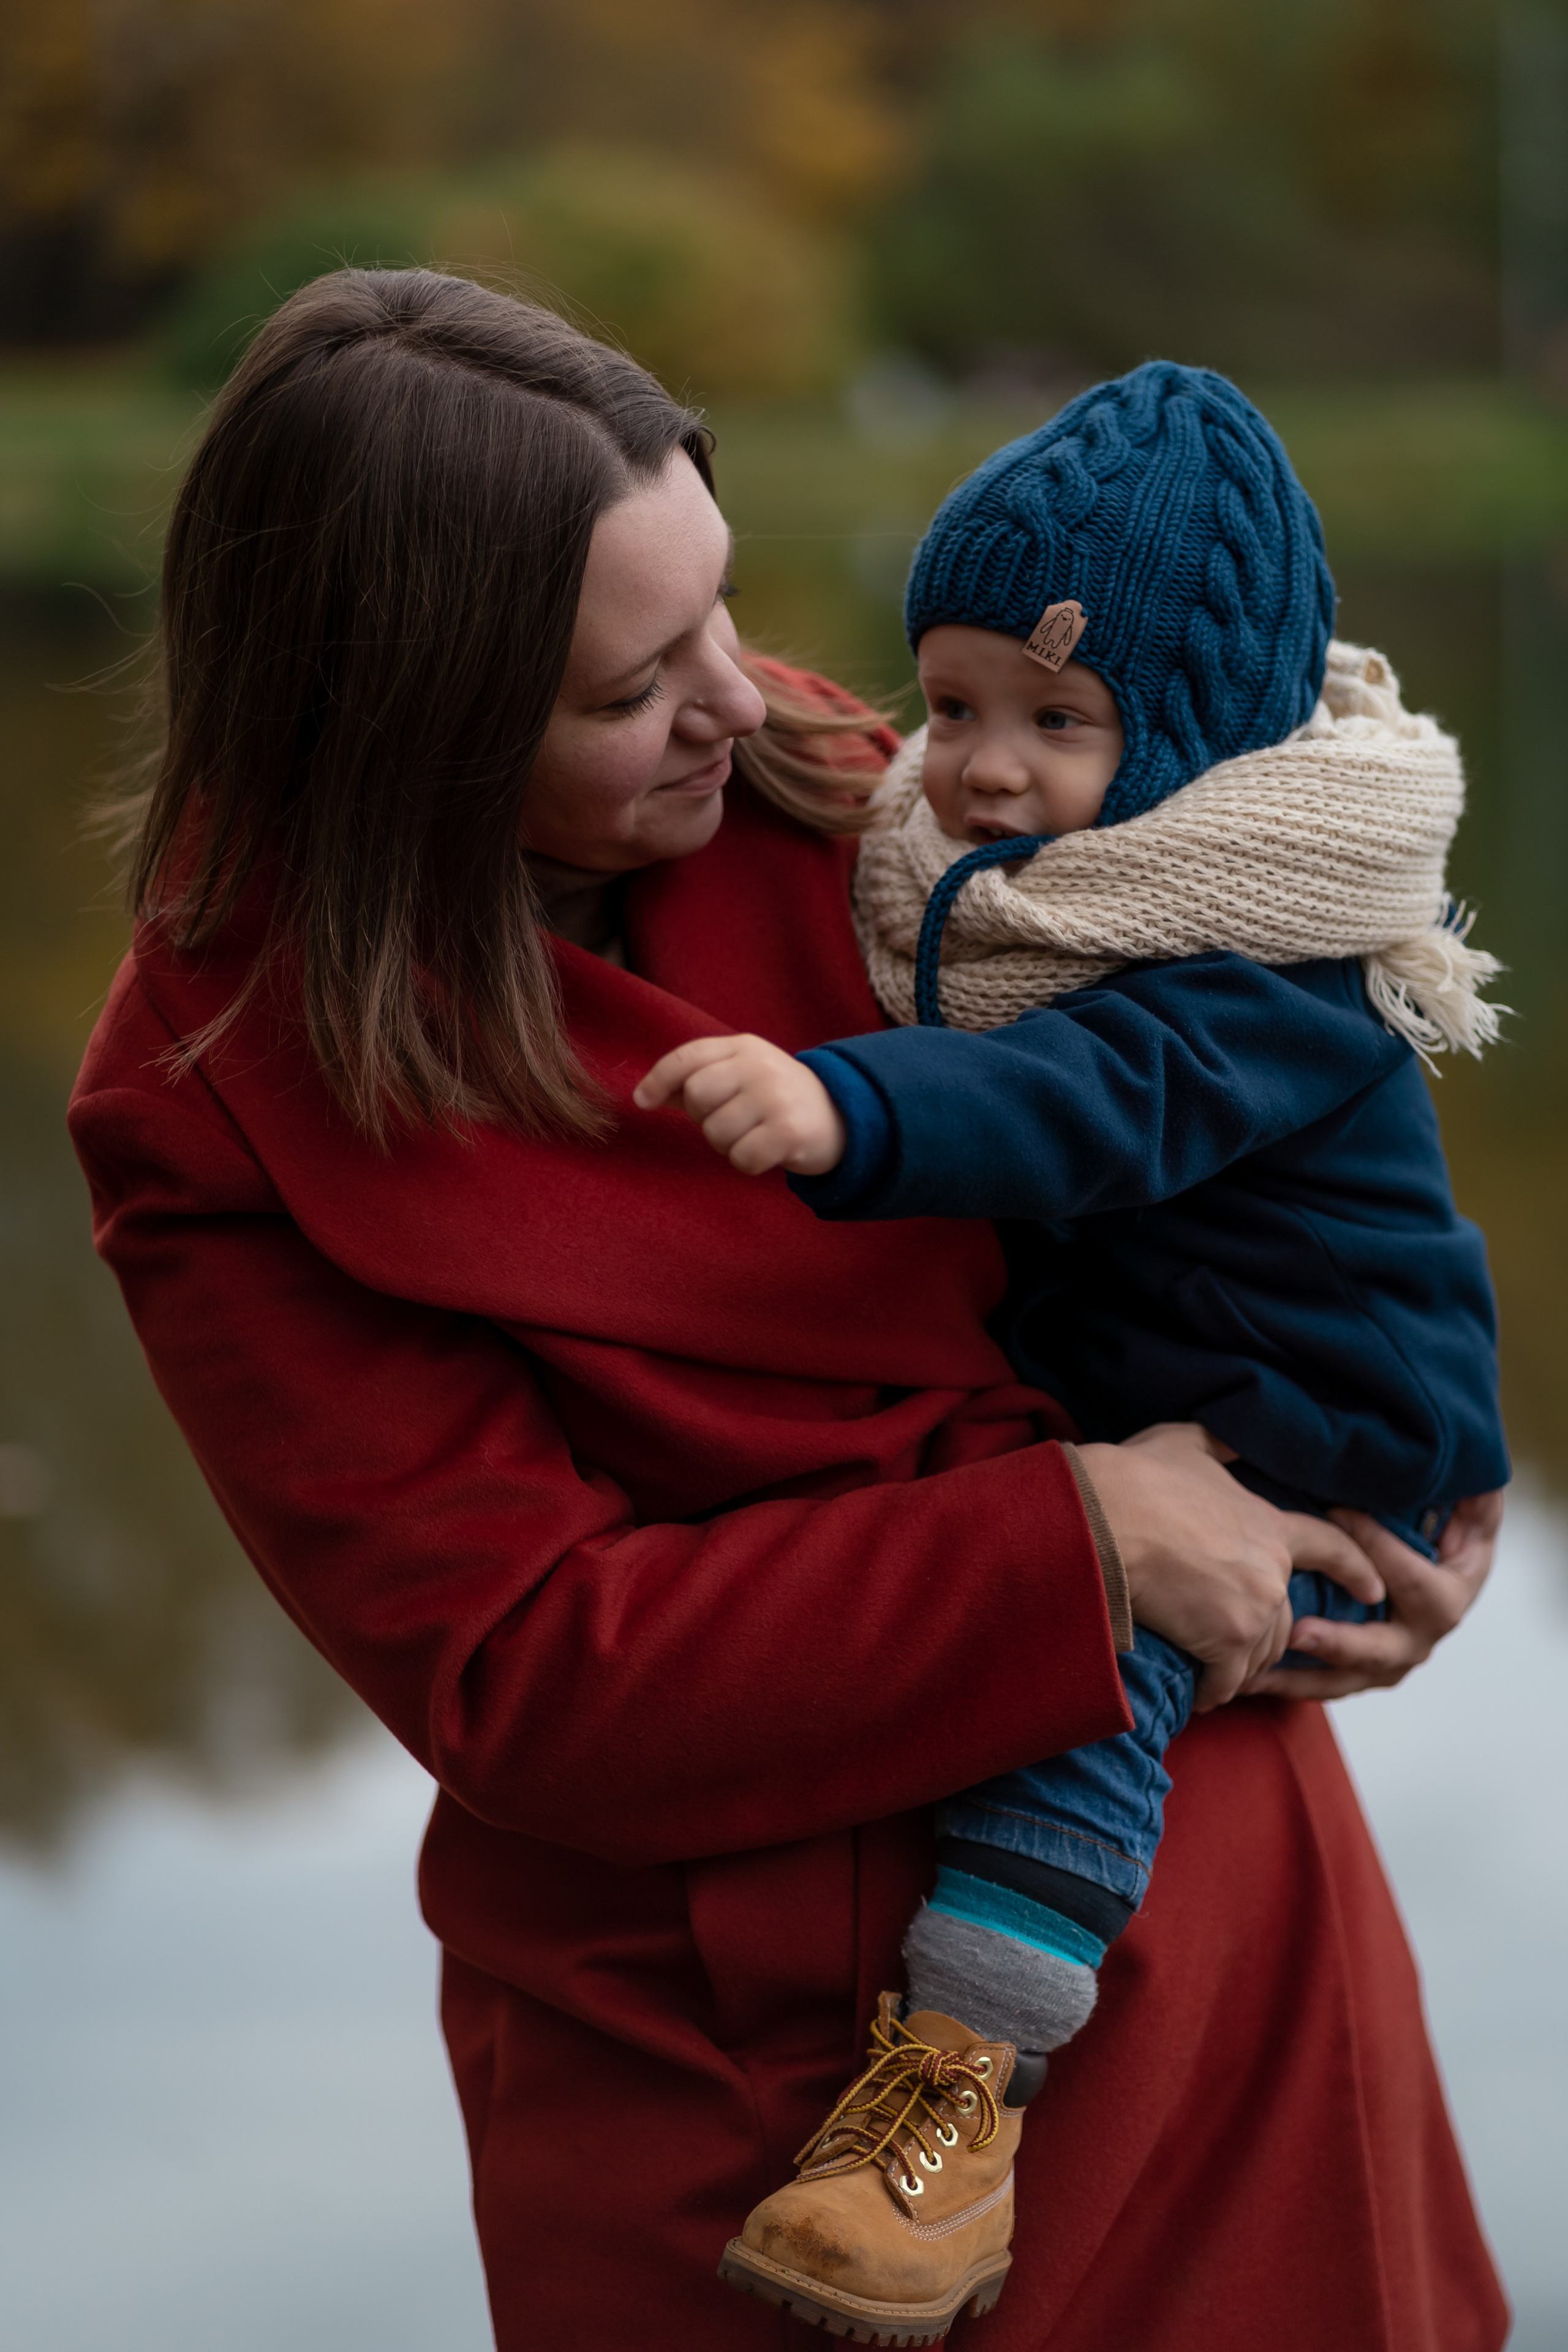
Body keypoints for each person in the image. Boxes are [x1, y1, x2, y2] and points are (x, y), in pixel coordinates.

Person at [68, 281, 1507, 2352]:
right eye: (636, 684)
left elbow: (1261, 1061)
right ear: (408, 727)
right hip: (738, 2059)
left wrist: (1398, 1469)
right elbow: (524, 1674)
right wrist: (1089, 1538)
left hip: (1213, 1893)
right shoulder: (216, 1095)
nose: (744, 701)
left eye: (723, 605)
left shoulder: (860, 788)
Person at [636, 364, 1510, 2339]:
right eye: (950, 709)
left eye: (1054, 723)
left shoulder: (1264, 957)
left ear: (1192, 738)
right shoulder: (1047, 887)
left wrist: (848, 1107)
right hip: (1207, 1368)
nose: (976, 773)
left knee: (1094, 1679)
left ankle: (954, 2106)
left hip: (1318, 1418)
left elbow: (1096, 1101)